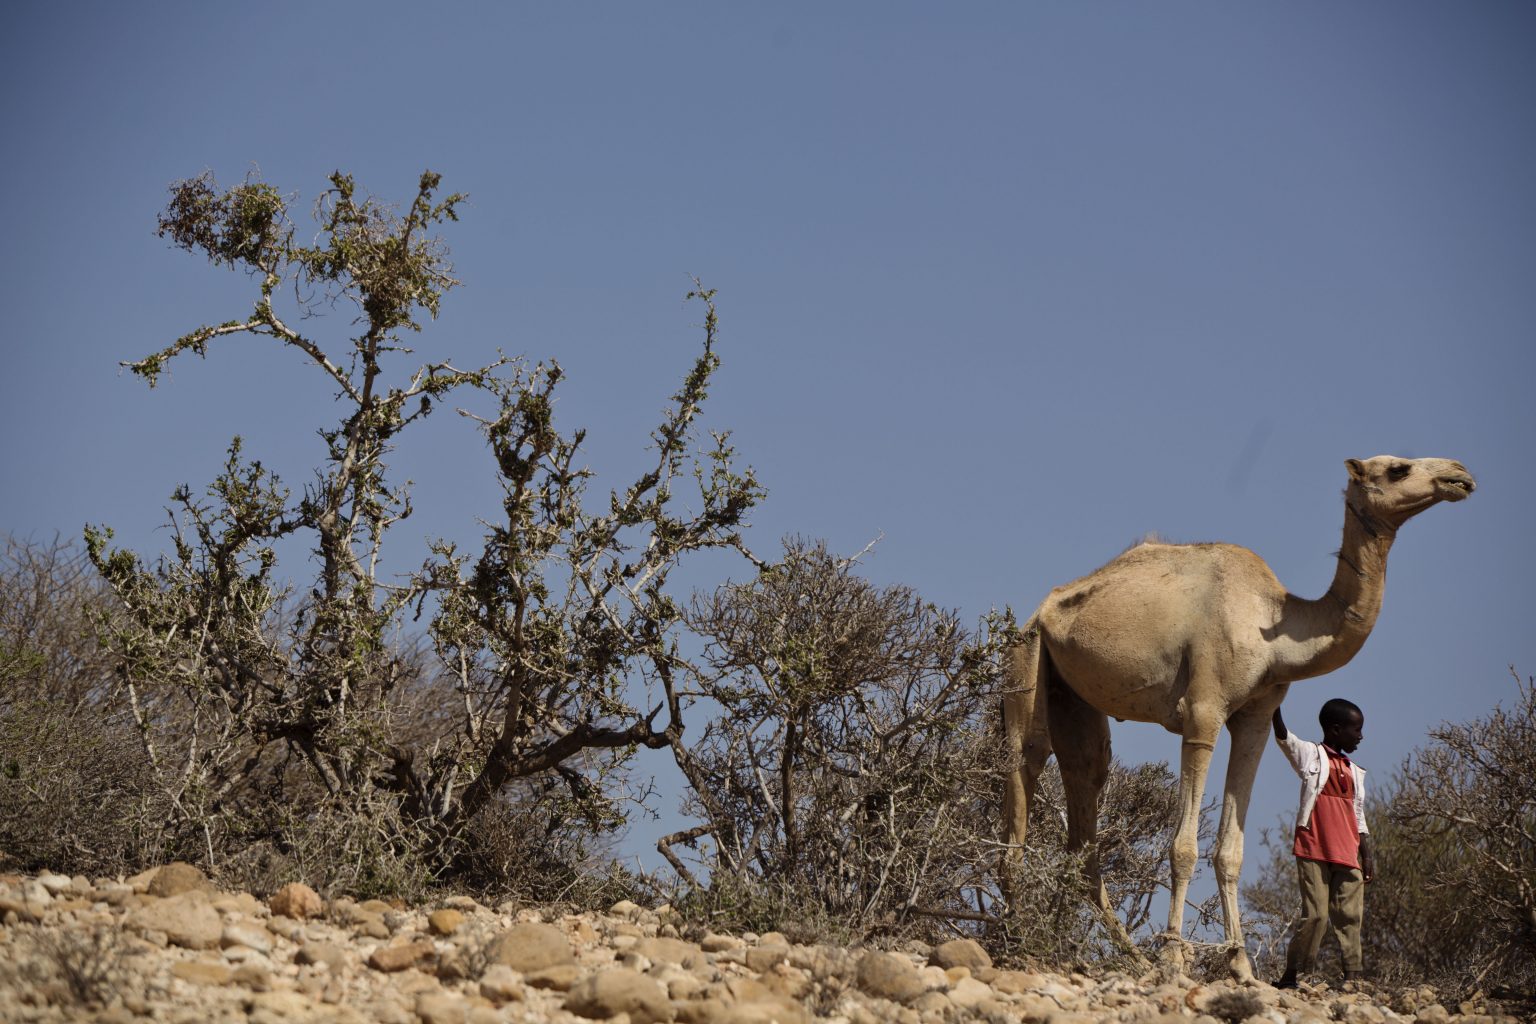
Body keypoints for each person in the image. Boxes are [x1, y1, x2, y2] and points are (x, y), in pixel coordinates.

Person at [1271, 698, 1374, 989]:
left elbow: (1358, 814)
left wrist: (1366, 854)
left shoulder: (1354, 770)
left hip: (1348, 850)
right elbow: (1284, 737)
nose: (1361, 736)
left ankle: (1353, 975)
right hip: (1314, 847)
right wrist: (1274, 703)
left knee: (1350, 915)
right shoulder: (1311, 755)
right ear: (1336, 729)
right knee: (1315, 915)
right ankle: (1293, 975)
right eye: (1356, 730)